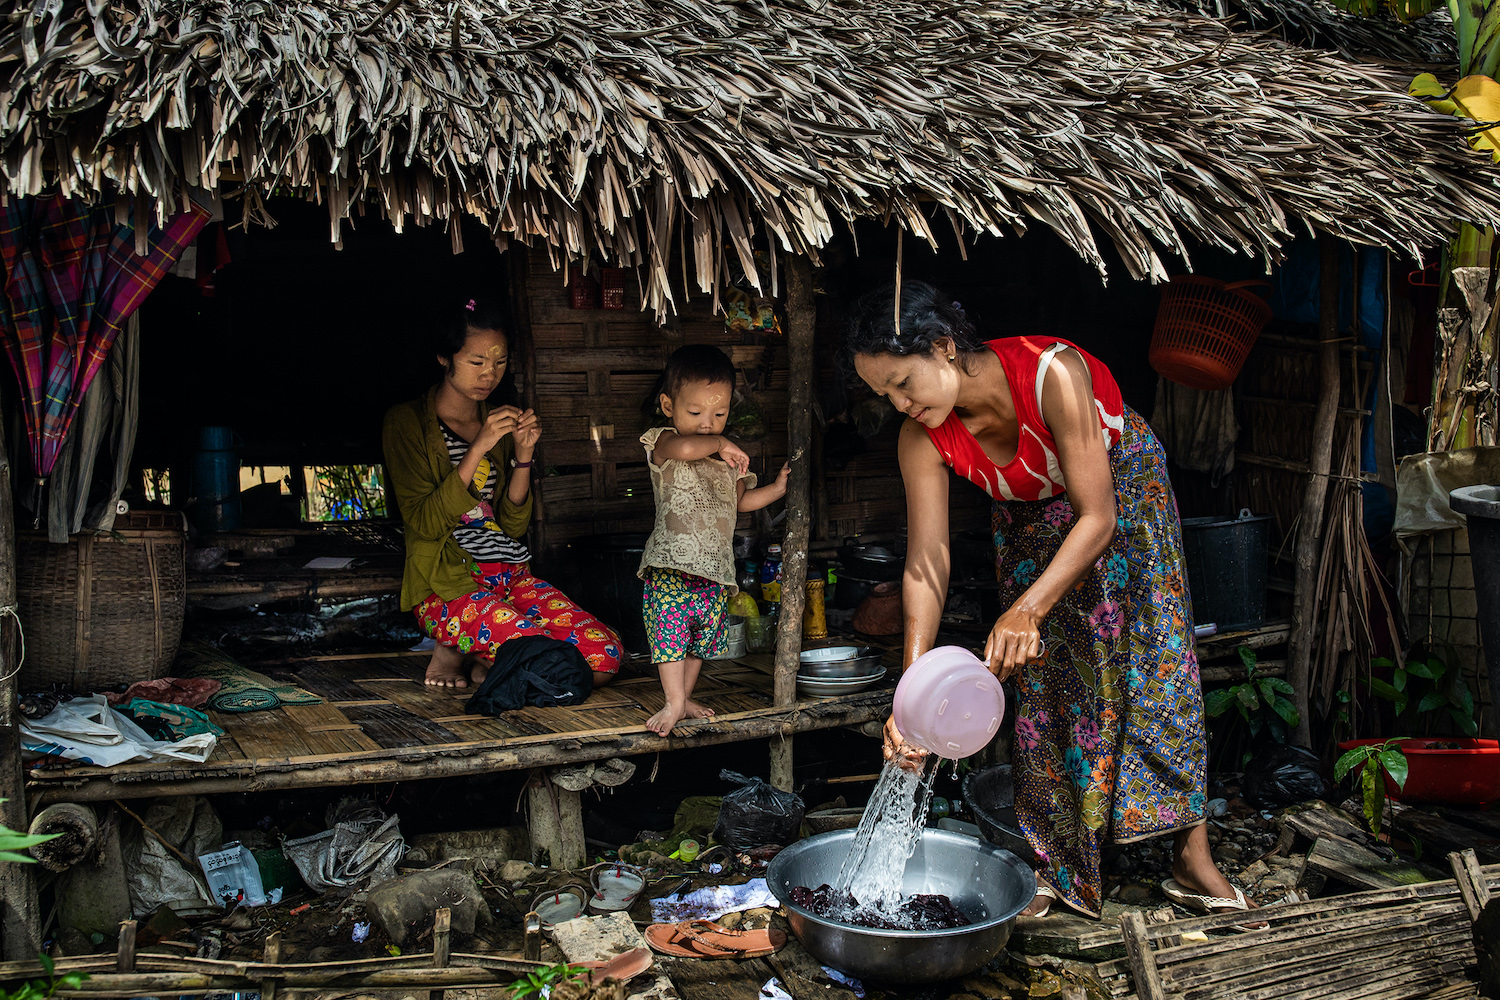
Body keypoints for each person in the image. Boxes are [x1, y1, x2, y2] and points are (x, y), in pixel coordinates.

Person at [841, 281, 1248, 921]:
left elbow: (1097, 516)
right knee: (1050, 681)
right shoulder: (920, 438)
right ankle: (1062, 871)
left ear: (944, 347)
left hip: (1120, 496)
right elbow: (928, 561)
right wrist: (913, 693)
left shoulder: (1052, 372)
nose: (899, 403)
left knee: (1158, 665)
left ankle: (1189, 853)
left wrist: (1026, 606)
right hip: (1030, 519)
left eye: (903, 383)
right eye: (884, 394)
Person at [383, 298, 623, 690]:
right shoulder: (406, 422)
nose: (489, 374)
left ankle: (483, 659)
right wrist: (478, 445)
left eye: (499, 362)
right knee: (553, 665)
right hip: (448, 585)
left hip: (510, 575)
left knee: (604, 659)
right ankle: (453, 650)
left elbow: (511, 526)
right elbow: (424, 521)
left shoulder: (498, 422)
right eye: (476, 362)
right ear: (444, 357)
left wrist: (523, 454)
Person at [638, 345, 789, 736]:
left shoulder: (726, 459)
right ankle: (673, 701)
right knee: (669, 635)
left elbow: (742, 502)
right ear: (669, 405)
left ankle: (683, 697)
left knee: (700, 639)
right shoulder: (664, 441)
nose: (708, 423)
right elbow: (690, 448)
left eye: (719, 414)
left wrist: (775, 488)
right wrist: (722, 443)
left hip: (714, 569)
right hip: (671, 564)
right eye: (695, 412)